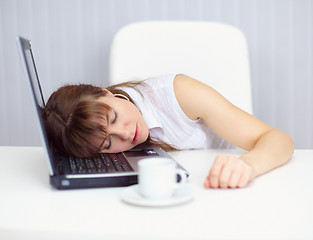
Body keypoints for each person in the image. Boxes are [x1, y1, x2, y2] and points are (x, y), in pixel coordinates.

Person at [42, 74, 294, 189]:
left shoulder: (178, 93)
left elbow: (279, 139)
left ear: (106, 93)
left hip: (230, 187)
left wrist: (247, 166)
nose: (126, 134)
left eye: (115, 117)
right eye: (108, 143)